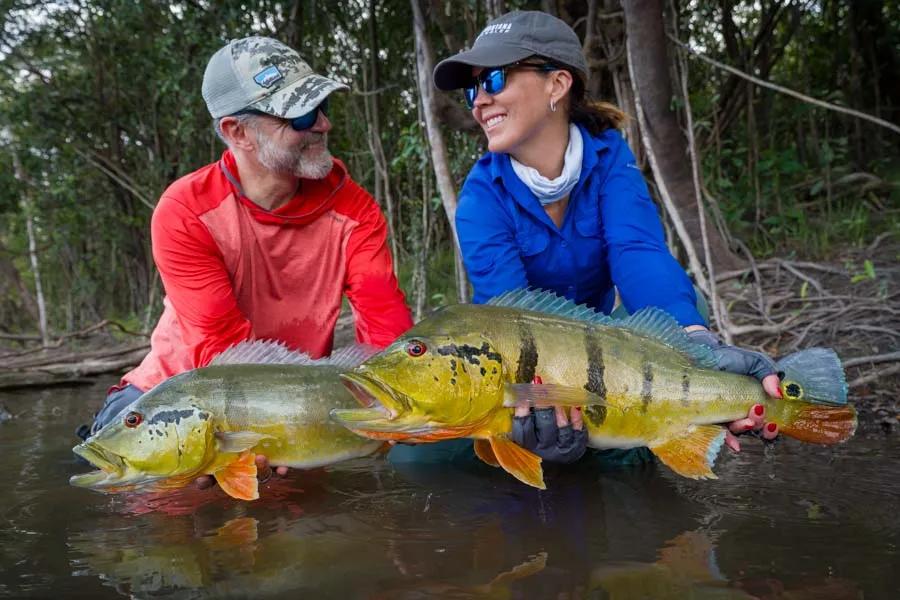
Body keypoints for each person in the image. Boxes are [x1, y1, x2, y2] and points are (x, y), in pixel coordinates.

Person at [432, 11, 779, 464]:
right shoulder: (480, 198)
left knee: (683, 305)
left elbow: (638, 254)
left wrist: (694, 341)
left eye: (494, 79)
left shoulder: (611, 157)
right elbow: (508, 313)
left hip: (610, 349)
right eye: (472, 88)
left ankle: (670, 425)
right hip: (532, 370)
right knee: (427, 458)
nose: (479, 101)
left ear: (557, 85)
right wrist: (535, 400)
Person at [77, 36, 414, 482]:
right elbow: (222, 351)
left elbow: (386, 334)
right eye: (301, 115)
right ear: (237, 132)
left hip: (294, 404)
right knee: (152, 503)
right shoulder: (185, 211)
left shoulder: (356, 209)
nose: (324, 125)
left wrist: (399, 408)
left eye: (321, 109)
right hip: (174, 396)